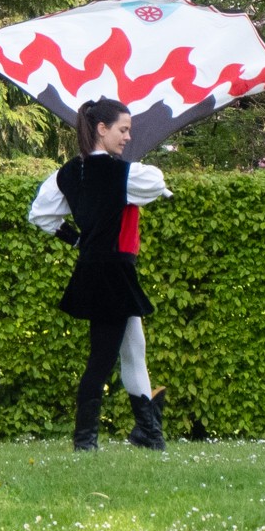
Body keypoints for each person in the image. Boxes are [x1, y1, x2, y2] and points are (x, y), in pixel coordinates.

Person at [29, 98, 171, 452]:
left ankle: (148, 433)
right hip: (112, 273)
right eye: (123, 130)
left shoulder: (68, 173)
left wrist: (77, 240)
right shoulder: (120, 173)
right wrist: (124, 168)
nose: (128, 137)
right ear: (102, 129)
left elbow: (41, 215)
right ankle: (85, 441)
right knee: (101, 359)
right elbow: (156, 183)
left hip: (97, 269)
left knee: (133, 348)